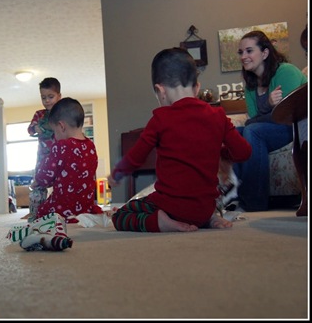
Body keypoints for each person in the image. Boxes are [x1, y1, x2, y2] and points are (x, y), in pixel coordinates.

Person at [107, 47, 252, 233]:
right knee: (209, 200)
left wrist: (117, 174)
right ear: (197, 87)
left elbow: (136, 156)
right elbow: (244, 152)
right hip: (205, 207)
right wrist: (221, 152)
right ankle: (210, 217)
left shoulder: (160, 118)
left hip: (171, 207)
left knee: (120, 215)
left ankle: (161, 222)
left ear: (161, 91)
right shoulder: (218, 115)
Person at [231, 30, 307, 211]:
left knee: (253, 131)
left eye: (249, 51)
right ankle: (236, 196)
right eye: (241, 52)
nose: (244, 56)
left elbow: (288, 114)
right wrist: (269, 105)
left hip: (295, 127)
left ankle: (255, 202)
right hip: (269, 130)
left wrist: (266, 109)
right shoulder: (250, 84)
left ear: (264, 53)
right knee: (234, 133)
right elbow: (252, 119)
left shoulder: (285, 71)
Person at [32, 97, 103, 223]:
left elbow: (46, 175)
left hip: (63, 207)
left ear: (61, 126)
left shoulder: (60, 146)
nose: (55, 136)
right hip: (85, 207)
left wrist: (38, 181)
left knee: (41, 212)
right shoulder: (90, 146)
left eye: (54, 131)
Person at [22, 77, 62, 222]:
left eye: (51, 97)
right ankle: (35, 212)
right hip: (43, 157)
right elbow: (30, 129)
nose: (47, 101)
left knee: (61, 183)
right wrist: (35, 128)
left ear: (59, 96)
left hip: (60, 157)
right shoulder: (39, 114)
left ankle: (60, 210)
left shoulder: (62, 113)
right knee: (38, 184)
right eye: (43, 97)